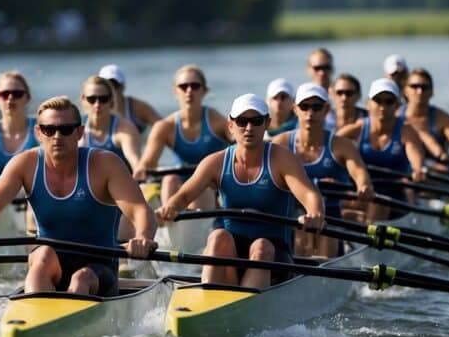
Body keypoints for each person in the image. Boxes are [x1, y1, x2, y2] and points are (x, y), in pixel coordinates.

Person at [0, 97, 157, 296]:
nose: (57, 136)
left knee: (81, 279)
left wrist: (143, 237)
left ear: (79, 132)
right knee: (42, 255)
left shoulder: (105, 164)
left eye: (65, 130)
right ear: (38, 133)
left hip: (99, 268)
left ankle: (61, 312)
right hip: (50, 264)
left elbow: (139, 209)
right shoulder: (25, 164)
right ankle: (37, 311)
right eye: (49, 130)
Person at [156, 94, 325, 289]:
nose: (249, 128)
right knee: (218, 236)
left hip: (274, 255)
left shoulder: (282, 159)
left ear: (267, 123)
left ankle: (245, 305)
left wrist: (315, 214)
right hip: (232, 254)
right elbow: (184, 195)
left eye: (256, 121)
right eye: (242, 121)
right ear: (230, 125)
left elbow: (309, 194)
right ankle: (207, 295)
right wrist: (169, 208)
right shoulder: (216, 162)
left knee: (261, 246)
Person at [272, 83, 374, 257]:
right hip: (292, 216)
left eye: (316, 107)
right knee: (300, 230)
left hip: (331, 215)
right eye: (304, 107)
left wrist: (363, 185)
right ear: (295, 109)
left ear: (326, 110)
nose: (310, 113)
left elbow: (359, 172)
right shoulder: (279, 144)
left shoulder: (341, 145)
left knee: (324, 233)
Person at [133, 64, 230, 210]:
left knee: (202, 186)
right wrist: (141, 172)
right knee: (169, 180)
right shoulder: (165, 127)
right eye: (183, 87)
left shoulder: (217, 121)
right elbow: (147, 164)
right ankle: (170, 217)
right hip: (180, 186)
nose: (189, 91)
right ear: (175, 91)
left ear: (204, 91)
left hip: (212, 186)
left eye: (195, 86)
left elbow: (242, 143)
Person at [337, 79, 426, 221]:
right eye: (378, 100)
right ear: (368, 104)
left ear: (397, 105)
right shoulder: (359, 128)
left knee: (378, 203)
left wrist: (418, 169)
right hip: (363, 190)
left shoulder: (406, 131)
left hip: (395, 195)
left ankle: (365, 232)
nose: (382, 106)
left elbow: (415, 154)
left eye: (389, 101)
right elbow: (329, 143)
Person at [399, 67, 449, 168]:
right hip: (406, 168)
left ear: (432, 92)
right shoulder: (396, 115)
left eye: (424, 87)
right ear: (405, 91)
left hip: (439, 169)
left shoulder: (442, 118)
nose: (419, 91)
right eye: (414, 86)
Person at [78, 75, 143, 172]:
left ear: (111, 101)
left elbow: (134, 160)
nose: (97, 104)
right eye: (91, 99)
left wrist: (139, 170)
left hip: (119, 183)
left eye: (103, 99)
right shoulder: (75, 127)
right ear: (83, 100)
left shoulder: (124, 129)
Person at [98, 64, 161, 134]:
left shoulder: (139, 108)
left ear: (123, 87)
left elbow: (163, 128)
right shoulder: (93, 109)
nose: (111, 90)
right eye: (106, 86)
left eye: (114, 84)